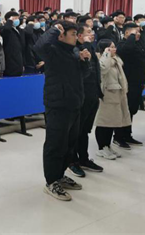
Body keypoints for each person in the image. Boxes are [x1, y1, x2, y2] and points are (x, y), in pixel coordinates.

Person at [34, 21, 89, 201]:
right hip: (58, 105)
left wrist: (85, 61)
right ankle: (51, 181)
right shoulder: (52, 51)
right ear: (61, 36)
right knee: (55, 144)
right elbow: (39, 46)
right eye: (72, 34)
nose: (76, 37)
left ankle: (60, 175)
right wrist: (55, 29)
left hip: (74, 104)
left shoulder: (73, 51)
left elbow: (82, 75)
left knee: (69, 144)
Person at [68, 24, 103, 178]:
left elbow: (95, 71)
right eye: (88, 32)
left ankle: (83, 158)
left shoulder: (88, 49)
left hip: (92, 94)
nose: (92, 34)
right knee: (76, 131)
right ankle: (72, 161)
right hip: (81, 96)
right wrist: (87, 46)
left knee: (84, 131)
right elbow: (83, 72)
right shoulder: (75, 50)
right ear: (79, 36)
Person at [94, 39, 131, 160]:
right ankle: (101, 148)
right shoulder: (101, 59)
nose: (115, 49)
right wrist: (106, 54)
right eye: (111, 47)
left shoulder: (116, 60)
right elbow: (103, 69)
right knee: (104, 122)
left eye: (114, 47)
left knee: (112, 123)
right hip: (106, 95)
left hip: (116, 94)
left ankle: (107, 145)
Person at [113, 23, 145, 148]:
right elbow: (126, 50)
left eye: (138, 32)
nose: (137, 34)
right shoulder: (122, 44)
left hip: (137, 82)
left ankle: (127, 134)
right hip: (127, 83)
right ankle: (118, 136)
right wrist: (131, 37)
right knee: (124, 110)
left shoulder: (138, 44)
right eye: (134, 32)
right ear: (127, 33)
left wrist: (142, 81)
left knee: (132, 109)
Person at [1, 11, 25, 77]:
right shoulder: (4, 28)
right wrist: (10, 21)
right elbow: (6, 30)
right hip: (9, 60)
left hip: (19, 59)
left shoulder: (19, 30)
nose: (17, 20)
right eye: (14, 18)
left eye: (17, 18)